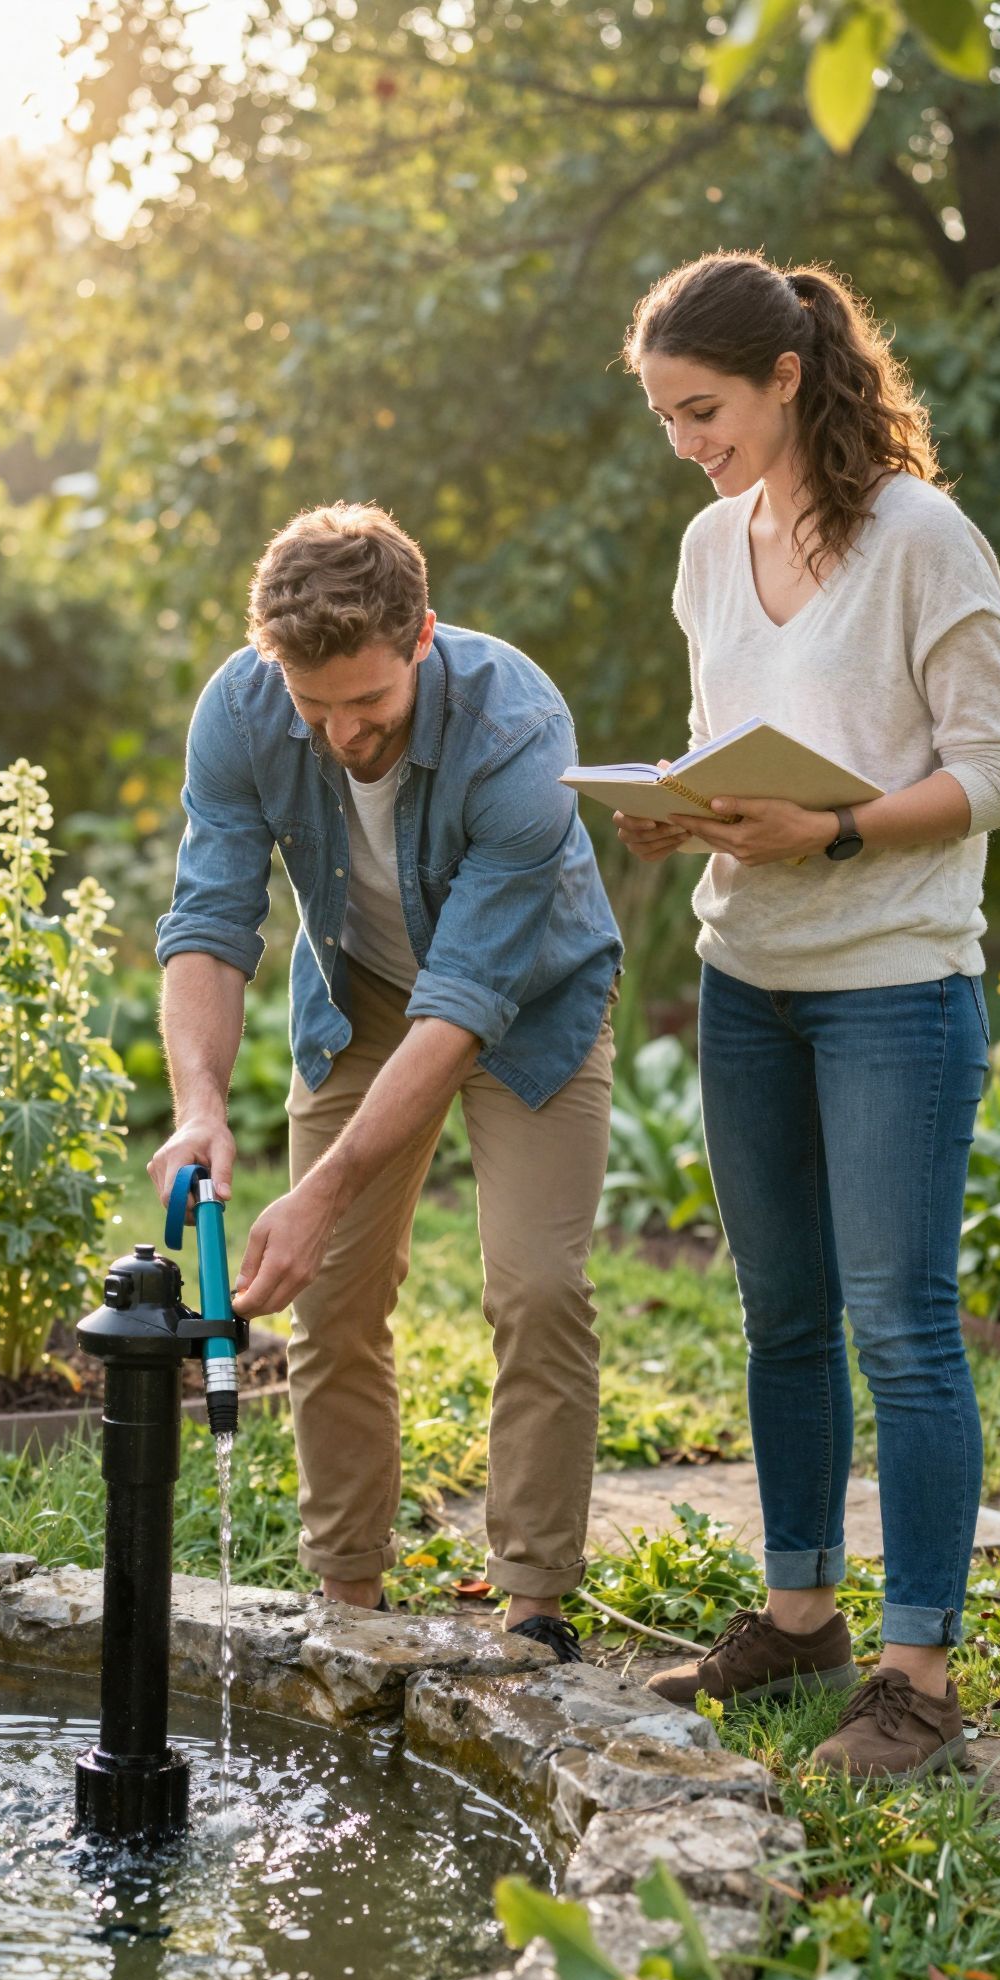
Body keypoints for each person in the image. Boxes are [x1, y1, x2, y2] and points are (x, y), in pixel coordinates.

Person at [618, 253, 1000, 1778]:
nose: (688, 442)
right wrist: (685, 815)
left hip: (895, 989)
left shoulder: (923, 539)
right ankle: (801, 1618)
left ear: (787, 376)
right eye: (668, 418)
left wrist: (839, 831)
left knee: (903, 1330)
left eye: (705, 410)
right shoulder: (706, 549)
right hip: (750, 980)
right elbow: (729, 740)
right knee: (782, 1317)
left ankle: (917, 1678)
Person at [149, 502, 621, 1662]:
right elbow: (209, 919)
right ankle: (349, 1604)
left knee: (538, 1286)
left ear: (422, 637)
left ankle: (533, 1608)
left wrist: (324, 1187)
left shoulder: (518, 728)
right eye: (316, 706)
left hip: (531, 1005)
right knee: (333, 1301)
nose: (345, 731)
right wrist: (200, 1106)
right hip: (359, 996)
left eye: (368, 701)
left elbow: (465, 1001)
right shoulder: (242, 709)